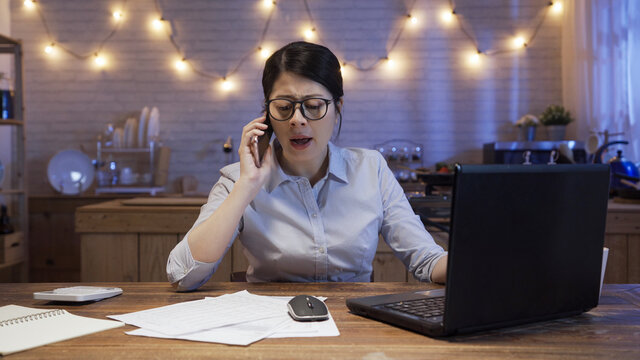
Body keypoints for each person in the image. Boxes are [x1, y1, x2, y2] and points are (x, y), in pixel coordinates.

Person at [167, 41, 447, 291]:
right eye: (284, 106)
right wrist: (245, 187)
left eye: (313, 105)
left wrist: (479, 264)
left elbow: (427, 260)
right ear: (267, 114)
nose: (297, 119)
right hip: (268, 325)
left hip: (354, 324)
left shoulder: (370, 169)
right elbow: (182, 275)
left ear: (338, 108)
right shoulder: (237, 179)